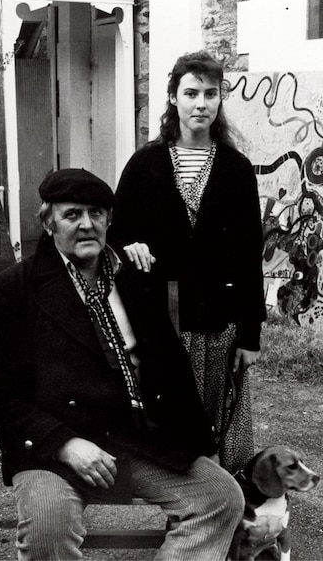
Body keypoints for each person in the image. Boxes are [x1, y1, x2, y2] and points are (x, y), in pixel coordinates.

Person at [0, 168, 244, 560]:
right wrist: (65, 444)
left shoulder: (134, 276)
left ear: (109, 220)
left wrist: (203, 445)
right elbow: (0, 396)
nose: (87, 225)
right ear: (48, 221)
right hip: (55, 448)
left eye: (97, 213)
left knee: (221, 499)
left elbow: (172, 370)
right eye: (72, 215)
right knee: (48, 532)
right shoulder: (17, 287)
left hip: (134, 437)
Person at [109, 50, 267, 475]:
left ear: (220, 99)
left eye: (211, 93)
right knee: (172, 417)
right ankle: (185, 502)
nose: (201, 103)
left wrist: (250, 334)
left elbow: (251, 254)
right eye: (191, 92)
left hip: (219, 318)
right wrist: (131, 245)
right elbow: (116, 232)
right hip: (165, 319)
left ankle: (229, 504)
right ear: (173, 98)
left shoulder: (235, 169)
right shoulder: (146, 163)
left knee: (220, 409)